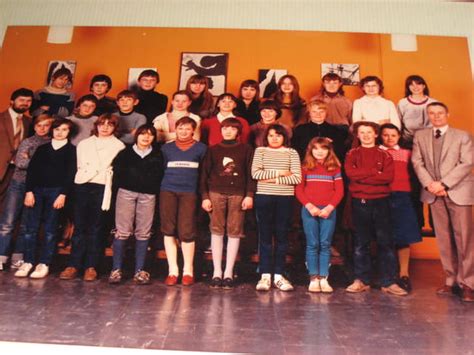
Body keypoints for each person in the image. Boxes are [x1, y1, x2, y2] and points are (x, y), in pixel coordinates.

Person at [412, 102, 474, 302]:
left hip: (457, 191)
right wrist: (430, 184)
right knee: (444, 238)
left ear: (448, 113)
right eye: (432, 113)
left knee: (464, 239)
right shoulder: (420, 136)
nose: (436, 116)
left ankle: (468, 283)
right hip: (433, 192)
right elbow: (417, 162)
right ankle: (451, 280)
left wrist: (444, 184)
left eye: (440, 113)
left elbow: (467, 163)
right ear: (428, 115)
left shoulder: (462, 136)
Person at [59, 113, 125, 282]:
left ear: (115, 128)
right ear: (96, 125)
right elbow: (81, 166)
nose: (105, 127)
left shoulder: (119, 146)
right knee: (79, 226)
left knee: (97, 227)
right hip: (83, 185)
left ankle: (91, 266)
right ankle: (73, 265)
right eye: (102, 124)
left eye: (109, 125)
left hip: (103, 186)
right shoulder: (84, 144)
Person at [344, 121, 407, 296]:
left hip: (381, 202)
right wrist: (374, 173)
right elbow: (351, 174)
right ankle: (361, 280)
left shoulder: (385, 154)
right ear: (357, 135)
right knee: (360, 243)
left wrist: (363, 175)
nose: (365, 135)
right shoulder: (352, 154)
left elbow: (387, 177)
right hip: (360, 201)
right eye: (361, 132)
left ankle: (389, 282)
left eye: (369, 132)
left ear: (376, 134)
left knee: (385, 242)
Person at [14, 118, 76, 278]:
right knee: (30, 229)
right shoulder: (42, 149)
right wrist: (29, 192)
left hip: (56, 192)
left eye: (64, 129)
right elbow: (32, 171)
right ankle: (28, 262)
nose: (60, 132)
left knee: (50, 229)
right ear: (52, 131)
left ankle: (44, 263)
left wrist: (63, 194)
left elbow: (70, 175)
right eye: (56, 129)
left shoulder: (72, 150)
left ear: (69, 132)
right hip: (37, 191)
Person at [200, 118, 255, 289]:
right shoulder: (213, 150)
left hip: (238, 194)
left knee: (234, 231)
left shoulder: (246, 149)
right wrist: (205, 196)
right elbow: (204, 174)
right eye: (225, 128)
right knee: (216, 230)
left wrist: (249, 195)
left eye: (232, 128)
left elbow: (250, 174)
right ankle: (217, 272)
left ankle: (229, 272)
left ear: (238, 132)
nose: (228, 131)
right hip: (216, 192)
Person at [108, 124, 163, 285]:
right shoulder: (125, 153)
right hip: (126, 193)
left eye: (150, 135)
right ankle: (116, 269)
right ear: (136, 136)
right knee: (122, 231)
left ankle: (140, 270)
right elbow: (117, 174)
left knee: (144, 232)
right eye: (142, 134)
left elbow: (160, 175)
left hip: (148, 195)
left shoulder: (158, 155)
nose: (146, 137)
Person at [252, 124, 301, 291]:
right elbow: (256, 174)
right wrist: (281, 173)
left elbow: (296, 178)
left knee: (282, 236)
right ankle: (265, 275)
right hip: (264, 197)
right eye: (271, 135)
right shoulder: (260, 151)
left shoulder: (291, 153)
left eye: (278, 135)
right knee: (264, 236)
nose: (274, 138)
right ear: (266, 137)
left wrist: (270, 177)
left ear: (284, 137)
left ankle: (279, 275)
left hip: (285, 198)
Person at [0, 114, 53, 271]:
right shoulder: (28, 142)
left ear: (51, 127)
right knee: (8, 222)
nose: (42, 128)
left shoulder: (52, 144)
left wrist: (32, 160)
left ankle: (18, 256)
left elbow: (52, 169)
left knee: (26, 224)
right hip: (19, 184)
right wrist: (41, 164)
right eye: (39, 125)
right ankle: (1, 256)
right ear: (34, 127)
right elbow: (21, 163)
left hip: (37, 187)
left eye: (46, 125)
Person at [160, 117, 207, 286]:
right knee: (168, 230)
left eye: (188, 129)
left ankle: (188, 271)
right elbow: (163, 168)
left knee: (187, 231)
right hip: (168, 191)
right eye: (181, 128)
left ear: (193, 130)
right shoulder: (167, 148)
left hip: (190, 193)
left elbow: (203, 173)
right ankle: (173, 271)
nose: (184, 132)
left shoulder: (201, 149)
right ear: (176, 129)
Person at [295, 137, 343, 293]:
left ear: (329, 150)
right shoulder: (305, 167)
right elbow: (299, 190)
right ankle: (313, 277)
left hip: (328, 210)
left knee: (325, 244)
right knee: (312, 244)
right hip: (310, 210)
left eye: (323, 148)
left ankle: (324, 277)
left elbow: (339, 191)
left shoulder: (334, 168)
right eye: (315, 148)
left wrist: (329, 208)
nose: (319, 151)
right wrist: (310, 206)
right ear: (310, 150)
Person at [379, 123, 422, 292]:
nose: (389, 138)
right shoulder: (377, 152)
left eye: (393, 135)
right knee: (384, 236)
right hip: (381, 196)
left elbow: (415, 176)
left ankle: (404, 274)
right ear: (380, 136)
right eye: (385, 135)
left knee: (403, 236)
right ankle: (386, 275)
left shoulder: (407, 153)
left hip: (403, 196)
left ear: (399, 137)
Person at [0, 88, 33, 208]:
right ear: (11, 101)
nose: (25, 103)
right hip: (1, 165)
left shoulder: (29, 122)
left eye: (28, 101)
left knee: (5, 202)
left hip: (16, 169)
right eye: (21, 100)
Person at [397, 75, 436, 148]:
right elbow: (399, 123)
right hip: (408, 141)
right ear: (408, 87)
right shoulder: (402, 103)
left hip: (429, 140)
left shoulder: (433, 102)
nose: (415, 87)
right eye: (411, 85)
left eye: (418, 84)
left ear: (424, 86)